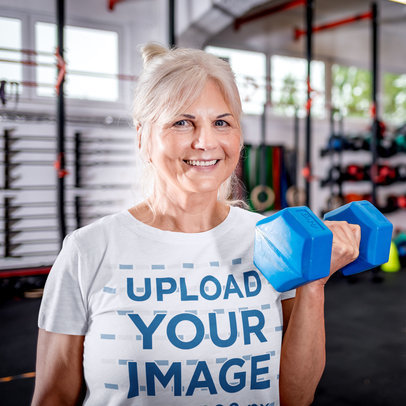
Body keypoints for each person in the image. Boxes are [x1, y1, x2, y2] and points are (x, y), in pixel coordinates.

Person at [31, 43, 361, 406]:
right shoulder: (88, 250)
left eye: (221, 122)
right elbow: (53, 398)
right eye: (182, 122)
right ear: (143, 137)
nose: (206, 142)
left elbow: (295, 398)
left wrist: (314, 285)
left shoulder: (272, 238)